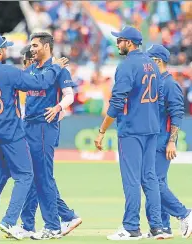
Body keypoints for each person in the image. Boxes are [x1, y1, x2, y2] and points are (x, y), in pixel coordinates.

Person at [0, 34, 69, 241]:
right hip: (10, 133)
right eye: (6, 48)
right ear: (0, 52)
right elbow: (41, 83)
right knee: (25, 176)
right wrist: (56, 67)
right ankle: (9, 221)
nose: (7, 51)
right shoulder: (8, 72)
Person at [94, 26, 167, 240]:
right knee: (150, 178)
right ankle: (157, 227)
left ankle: (131, 227)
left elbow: (117, 102)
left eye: (120, 40)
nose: (117, 43)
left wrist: (102, 130)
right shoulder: (153, 65)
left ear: (130, 43)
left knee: (132, 180)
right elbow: (159, 98)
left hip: (132, 129)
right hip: (152, 128)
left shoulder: (127, 66)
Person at [19, 32, 80, 240]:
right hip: (30, 124)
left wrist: (58, 108)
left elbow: (70, 95)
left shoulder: (59, 69)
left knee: (43, 176)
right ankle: (33, 224)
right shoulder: (33, 68)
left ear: (46, 46)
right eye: (31, 46)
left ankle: (53, 226)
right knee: (33, 176)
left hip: (45, 126)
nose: (32, 49)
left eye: (35, 45)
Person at [145, 44, 192, 239]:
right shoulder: (155, 81)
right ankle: (162, 226)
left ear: (157, 61)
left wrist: (172, 141)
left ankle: (184, 213)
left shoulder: (170, 84)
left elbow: (177, 114)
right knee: (156, 181)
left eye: (148, 61)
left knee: (153, 182)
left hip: (163, 140)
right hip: (152, 140)